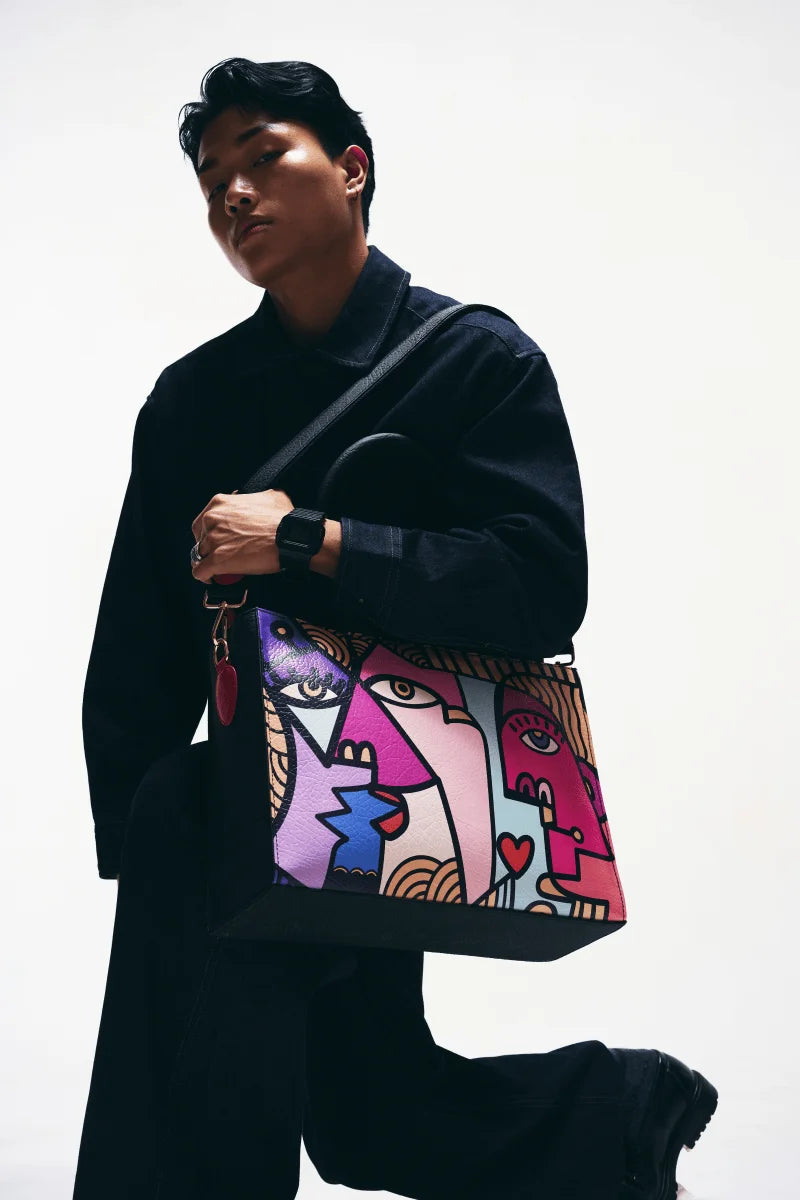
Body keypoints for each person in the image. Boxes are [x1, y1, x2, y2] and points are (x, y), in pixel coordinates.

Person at [71, 57, 718, 1200]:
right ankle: (618, 1120)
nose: (232, 192)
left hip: (386, 799)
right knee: (362, 1113)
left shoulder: (475, 359)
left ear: (351, 169)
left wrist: (312, 539)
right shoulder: (191, 401)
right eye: (212, 176)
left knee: (350, 1114)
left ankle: (616, 1116)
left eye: (263, 155)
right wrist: (143, 849)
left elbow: (536, 585)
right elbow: (139, 638)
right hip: (225, 816)